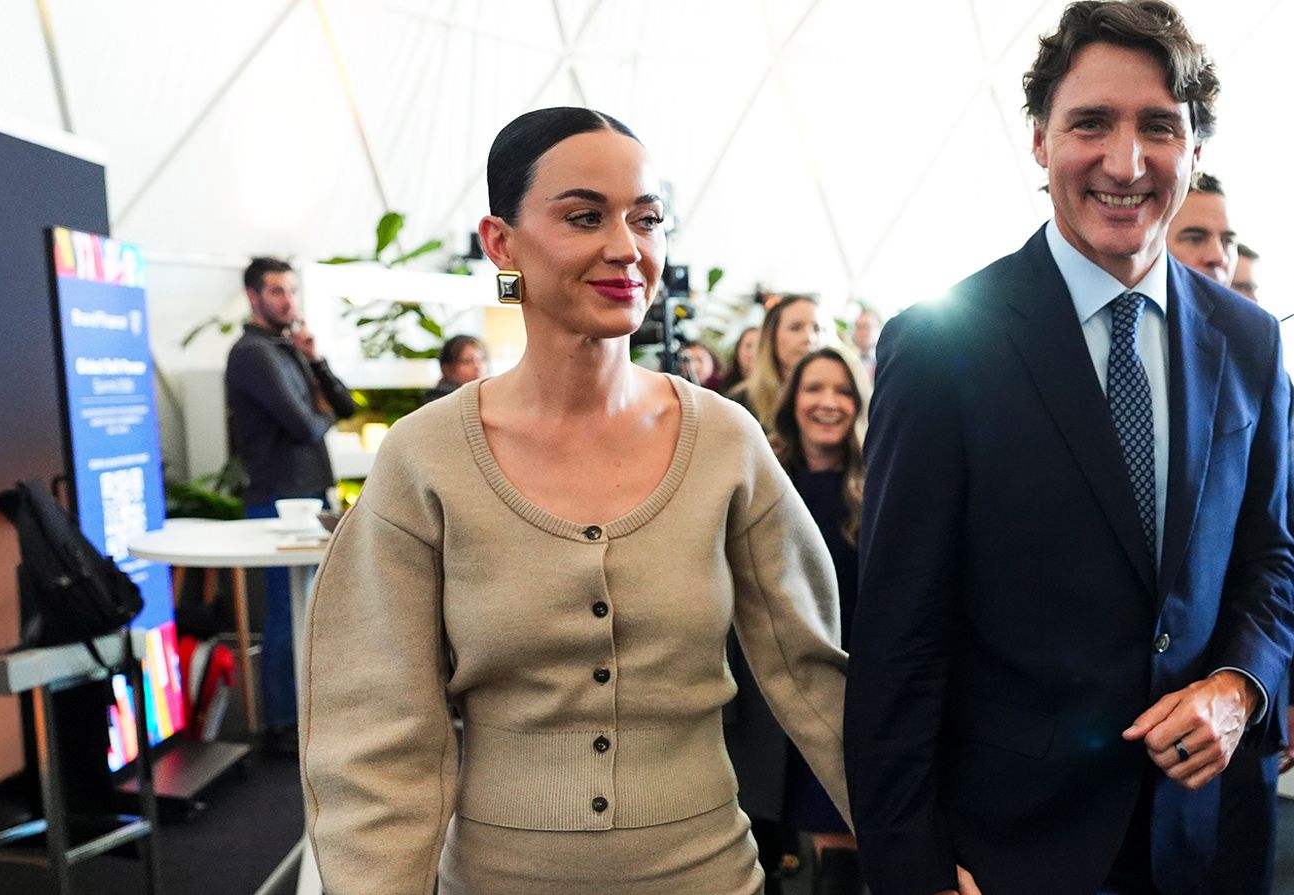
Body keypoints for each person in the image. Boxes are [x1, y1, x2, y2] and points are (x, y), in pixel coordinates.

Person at [300, 107, 850, 895]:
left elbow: (815, 677)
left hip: (706, 877)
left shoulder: (726, 442)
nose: (626, 247)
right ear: (502, 243)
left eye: (647, 219)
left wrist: (924, 855)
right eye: (585, 216)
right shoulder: (426, 459)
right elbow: (375, 739)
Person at [846, 4, 1294, 893]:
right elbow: (899, 630)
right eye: (1090, 122)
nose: (1125, 163)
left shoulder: (1249, 338)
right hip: (1011, 844)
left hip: (1204, 830)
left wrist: (1237, 686)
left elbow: (1272, 559)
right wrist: (913, 866)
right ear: (1039, 141)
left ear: (1194, 149)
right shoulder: (943, 344)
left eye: (1158, 127)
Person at [1167, 177, 1294, 895]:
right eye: (1195, 236)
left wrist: (1287, 684)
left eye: (1226, 240)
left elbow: (1281, 539)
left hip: (1246, 679)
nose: (1217, 256)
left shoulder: (1260, 360)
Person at [727, 346, 873, 895]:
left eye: (842, 390)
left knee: (840, 845)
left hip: (849, 694)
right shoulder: (764, 480)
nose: (828, 402)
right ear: (793, 400)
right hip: (768, 700)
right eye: (814, 388)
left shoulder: (881, 485)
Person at [223, 256, 356, 743]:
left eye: (292, 292)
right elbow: (304, 424)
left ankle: (304, 717)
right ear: (253, 296)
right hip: (277, 500)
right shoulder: (252, 354)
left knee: (311, 610)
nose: (288, 301)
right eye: (277, 292)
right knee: (284, 613)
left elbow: (344, 407)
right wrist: (320, 413)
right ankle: (283, 725)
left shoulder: (289, 349)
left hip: (306, 493)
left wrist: (316, 361)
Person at [729, 294, 827, 426]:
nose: (810, 338)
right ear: (771, 337)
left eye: (818, 329)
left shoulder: (836, 402)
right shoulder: (740, 403)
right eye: (796, 327)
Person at [422, 334, 488, 404]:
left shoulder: (486, 393)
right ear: (447, 369)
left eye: (482, 359)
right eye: (466, 361)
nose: (478, 366)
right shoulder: (439, 400)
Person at [719, 326, 761, 397]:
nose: (753, 352)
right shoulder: (722, 384)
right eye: (748, 346)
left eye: (760, 346)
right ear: (738, 350)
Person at [851, 305, 883, 379]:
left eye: (866, 327)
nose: (862, 332)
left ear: (879, 329)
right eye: (858, 327)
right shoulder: (848, 358)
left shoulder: (884, 361)